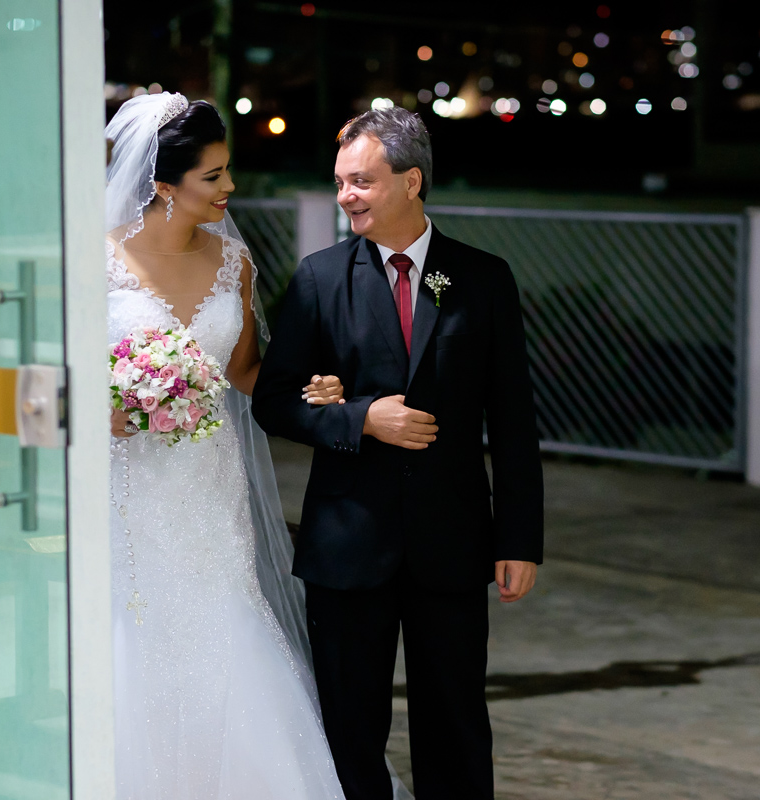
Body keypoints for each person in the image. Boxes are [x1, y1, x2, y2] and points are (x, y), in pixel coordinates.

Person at [253, 107, 544, 800]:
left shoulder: (481, 278)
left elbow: (512, 421)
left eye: (361, 181)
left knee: (455, 722)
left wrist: (520, 539)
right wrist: (361, 419)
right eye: (340, 182)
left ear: (411, 182)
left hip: (452, 542)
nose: (345, 195)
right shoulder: (321, 278)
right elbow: (273, 400)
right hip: (348, 545)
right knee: (349, 727)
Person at [105, 92, 352, 799]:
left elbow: (244, 371)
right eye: (213, 177)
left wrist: (312, 391)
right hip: (127, 482)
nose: (230, 189)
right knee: (134, 623)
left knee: (223, 618)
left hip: (209, 485)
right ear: (163, 185)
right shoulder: (93, 261)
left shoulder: (233, 262)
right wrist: (105, 411)